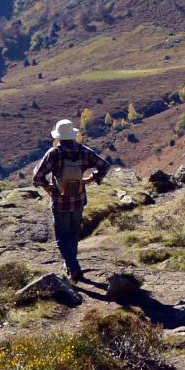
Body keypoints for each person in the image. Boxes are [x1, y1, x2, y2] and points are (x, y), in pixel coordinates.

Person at [32, 118, 110, 284]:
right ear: (73, 135)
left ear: (59, 136)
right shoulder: (83, 150)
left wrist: (48, 187)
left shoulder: (54, 153)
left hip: (60, 201)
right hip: (79, 200)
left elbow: (37, 176)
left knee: (62, 237)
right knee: (73, 235)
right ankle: (70, 265)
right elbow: (104, 165)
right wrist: (90, 179)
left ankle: (73, 267)